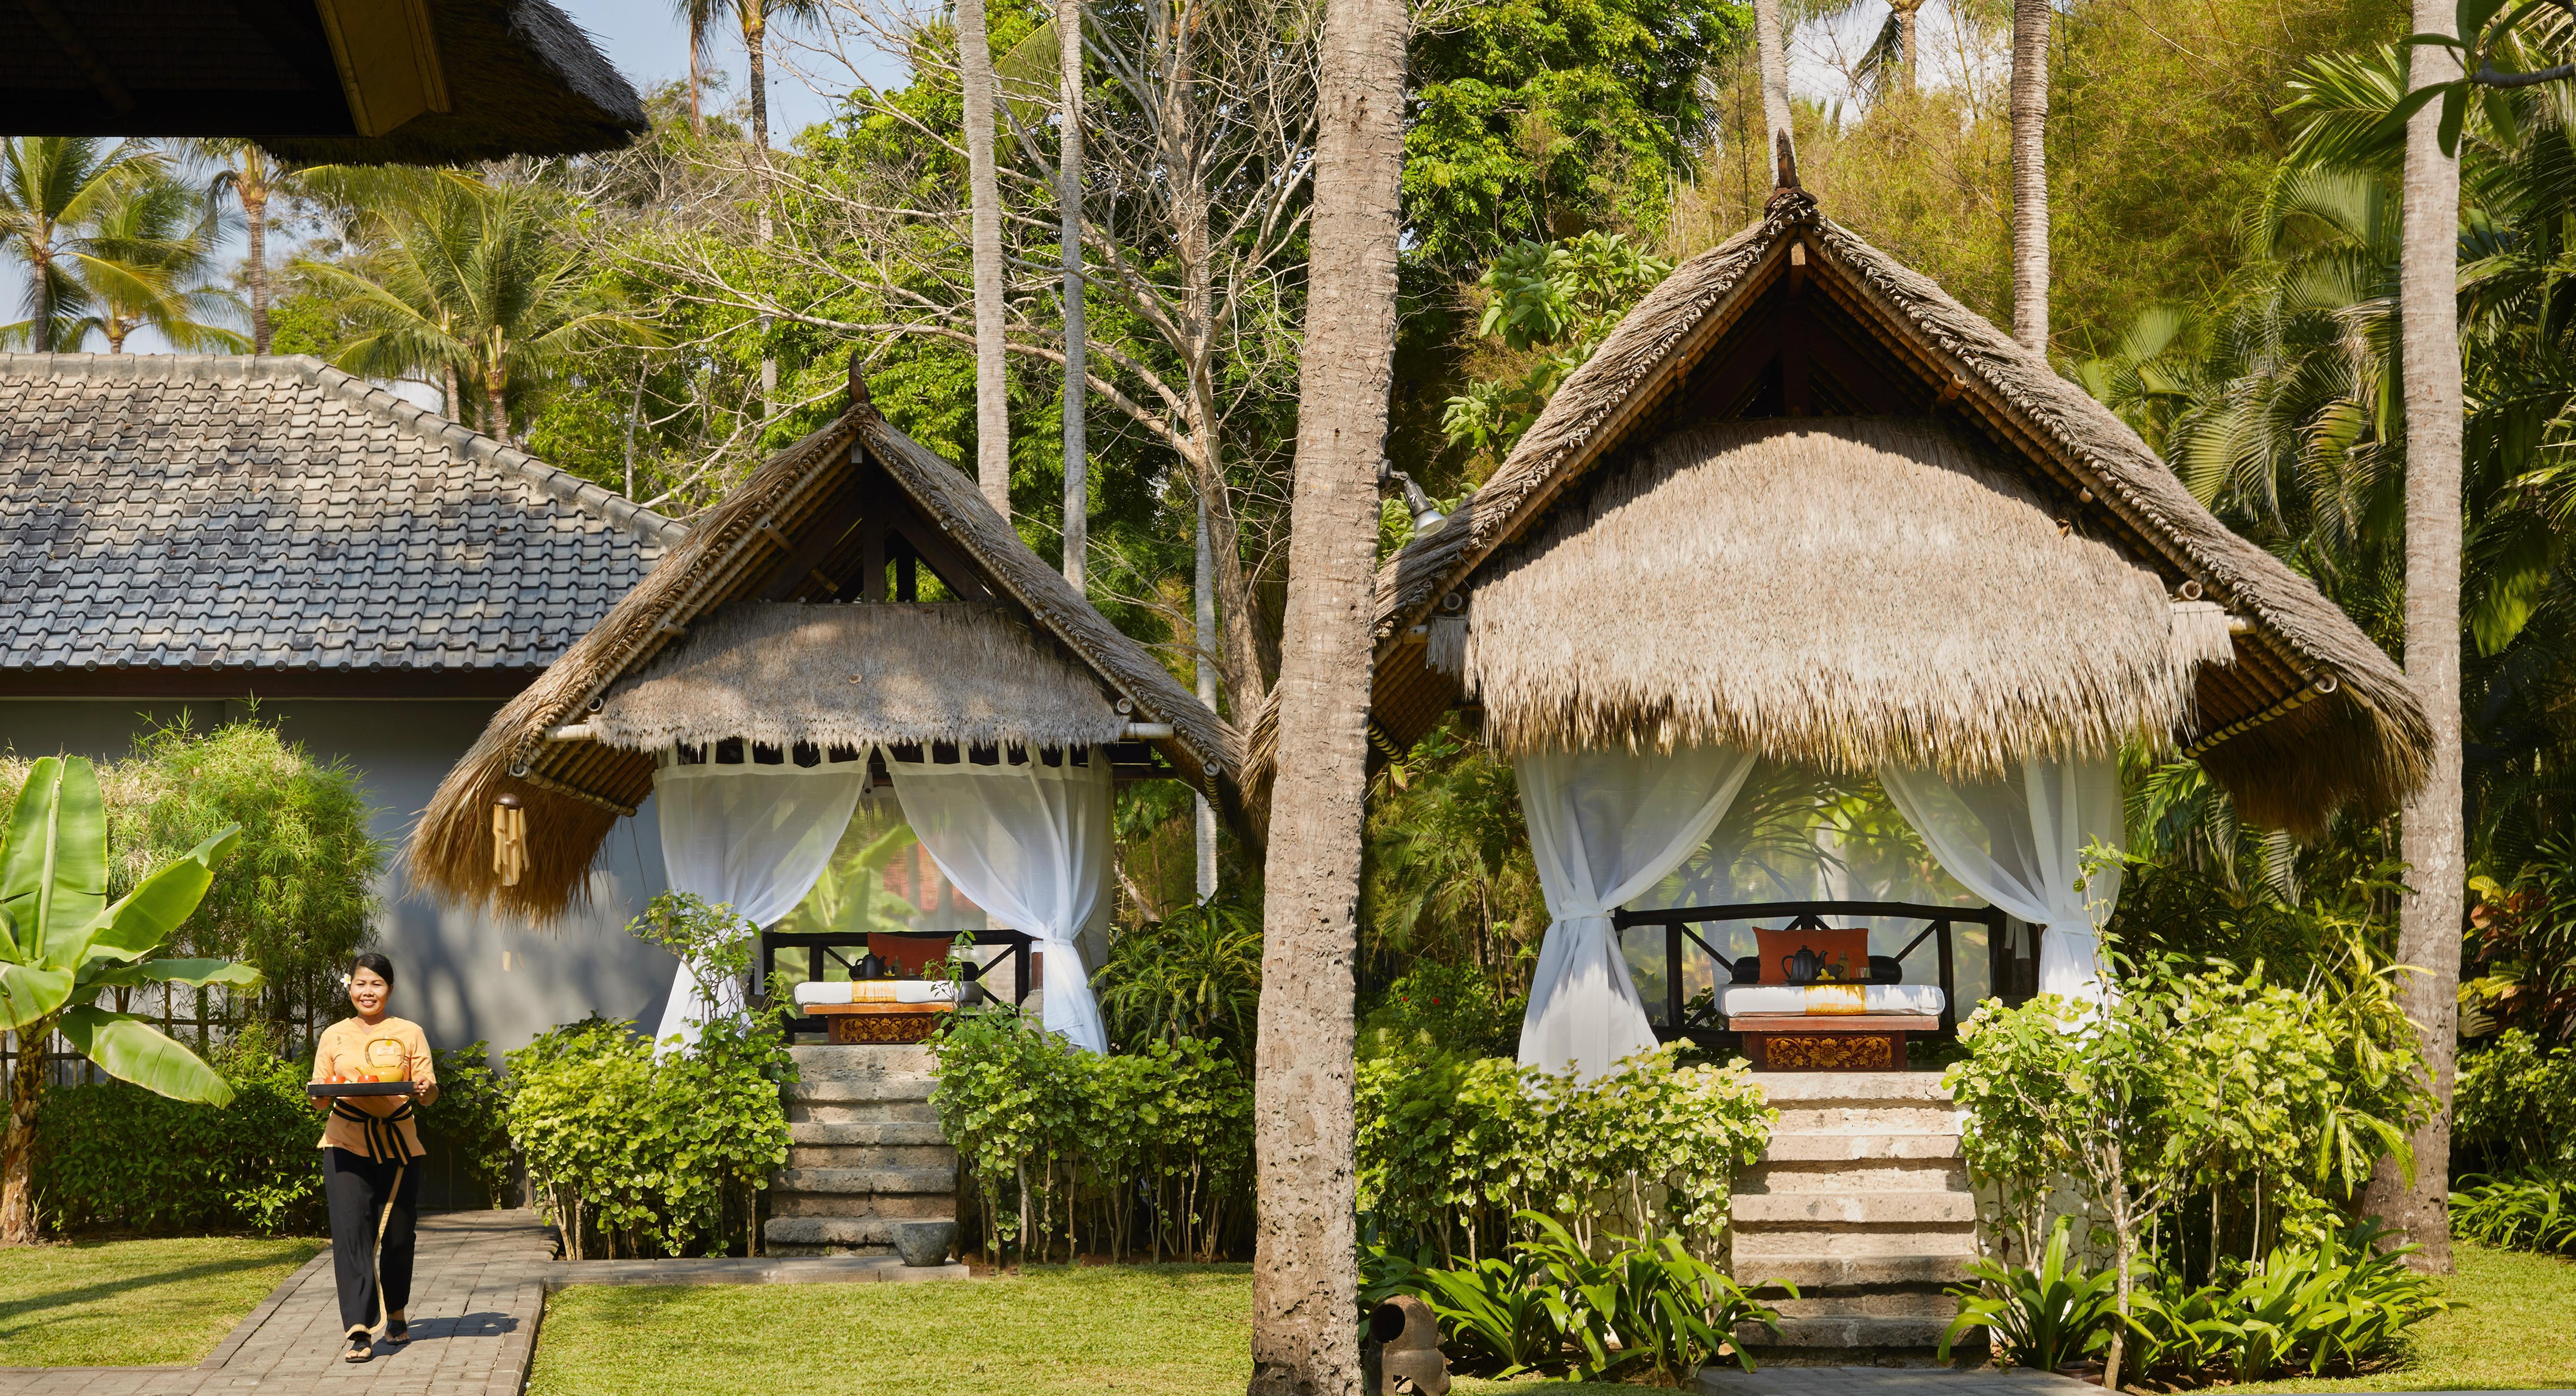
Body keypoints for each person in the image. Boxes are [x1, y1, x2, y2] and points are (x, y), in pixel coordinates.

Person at [308, 952, 438, 1364]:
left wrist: (422, 1088)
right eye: (361, 983)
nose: (368, 991)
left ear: (390, 989)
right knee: (352, 1234)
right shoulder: (334, 1035)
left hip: (399, 1142)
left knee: (399, 1236)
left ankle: (396, 1313)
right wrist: (317, 1094)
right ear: (350, 988)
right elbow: (319, 1093)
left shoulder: (410, 1032)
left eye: (377, 984)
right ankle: (360, 1330)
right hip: (344, 1139)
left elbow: (430, 1092)